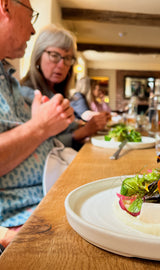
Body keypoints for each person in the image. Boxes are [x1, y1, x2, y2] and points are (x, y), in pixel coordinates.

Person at [0, 0, 74, 247]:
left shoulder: (8, 77)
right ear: (5, 6)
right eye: (30, 16)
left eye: (68, 59)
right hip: (25, 217)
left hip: (52, 195)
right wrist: (41, 126)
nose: (33, 31)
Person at [20, 25, 108, 149]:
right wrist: (84, 131)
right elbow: (39, 146)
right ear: (38, 57)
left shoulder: (57, 93)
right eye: (55, 55)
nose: (61, 65)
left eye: (67, 58)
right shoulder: (26, 94)